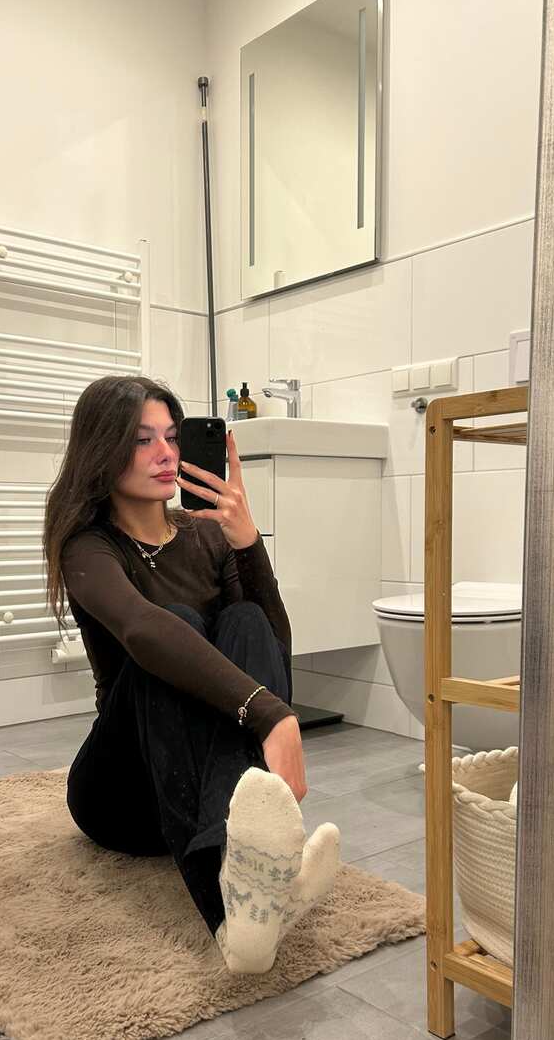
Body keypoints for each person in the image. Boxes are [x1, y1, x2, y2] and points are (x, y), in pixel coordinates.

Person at [43, 375, 340, 973]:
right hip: (123, 794)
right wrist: (273, 717)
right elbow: (143, 631)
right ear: (102, 450)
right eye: (142, 440)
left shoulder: (206, 535)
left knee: (246, 620)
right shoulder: (88, 548)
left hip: (204, 792)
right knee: (172, 625)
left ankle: (256, 888)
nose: (166, 454)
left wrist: (248, 543)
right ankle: (231, 912)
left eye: (173, 437)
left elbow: (273, 648)